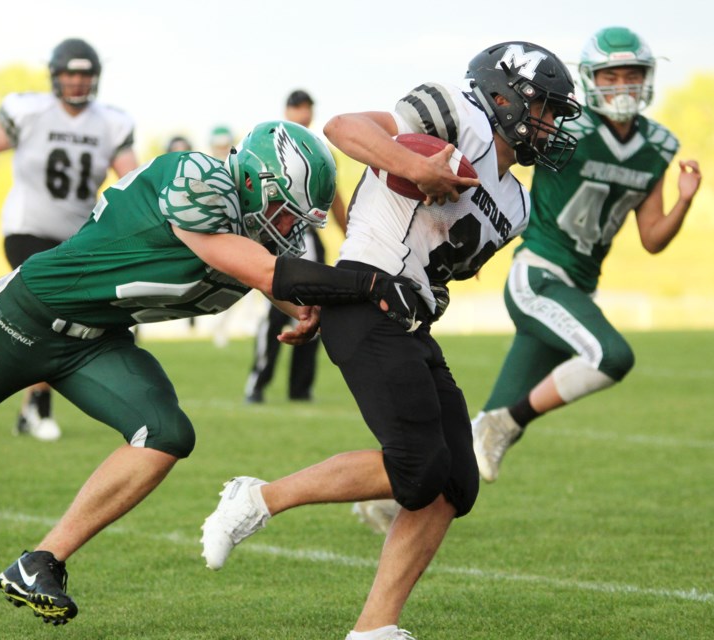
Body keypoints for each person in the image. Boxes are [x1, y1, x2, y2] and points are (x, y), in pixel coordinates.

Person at [0, 120, 425, 626]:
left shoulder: (250, 234)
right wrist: (366, 284)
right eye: (288, 215)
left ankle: (41, 560)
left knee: (166, 433)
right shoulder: (201, 179)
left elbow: (278, 280)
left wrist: (309, 309)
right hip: (28, 316)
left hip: (96, 342)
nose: (292, 232)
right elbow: (263, 272)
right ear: (257, 181)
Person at [201, 41, 581, 640]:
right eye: (547, 110)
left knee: (455, 482)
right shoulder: (459, 113)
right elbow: (342, 127)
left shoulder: (516, 204)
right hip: (365, 299)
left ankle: (374, 628)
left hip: (412, 317)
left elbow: (444, 259)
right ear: (506, 96)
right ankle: (256, 499)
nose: (552, 126)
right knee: (417, 467)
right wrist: (416, 166)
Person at [471, 26, 702, 483]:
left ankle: (386, 495)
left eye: (631, 75)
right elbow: (495, 162)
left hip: (576, 289)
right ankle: (508, 422)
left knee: (477, 433)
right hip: (539, 275)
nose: (622, 86)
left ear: (648, 78)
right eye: (611, 76)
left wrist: (684, 200)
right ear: (593, 79)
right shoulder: (564, 127)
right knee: (612, 356)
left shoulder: (656, 147)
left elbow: (652, 237)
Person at [0, 37, 139, 442]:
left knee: (64, 321)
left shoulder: (111, 122)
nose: (77, 82)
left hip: (77, 238)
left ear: (95, 78)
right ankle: (37, 408)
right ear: (55, 75)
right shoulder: (29, 111)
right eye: (70, 73)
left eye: (84, 74)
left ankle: (30, 406)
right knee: (54, 314)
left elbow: (133, 184)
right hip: (26, 228)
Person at [244, 89, 348, 403]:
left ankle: (300, 389)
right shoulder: (267, 146)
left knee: (314, 310)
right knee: (275, 314)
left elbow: (334, 197)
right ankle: (257, 383)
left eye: (307, 108)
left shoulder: (320, 151)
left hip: (306, 236)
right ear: (288, 110)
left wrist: (351, 236)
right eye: (297, 107)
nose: (303, 113)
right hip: (274, 234)